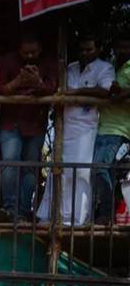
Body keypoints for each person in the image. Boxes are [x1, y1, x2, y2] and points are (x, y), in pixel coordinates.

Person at [38, 34, 115, 226]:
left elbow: (104, 91)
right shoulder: (70, 67)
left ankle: (78, 220)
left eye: (89, 49)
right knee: (58, 170)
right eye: (82, 50)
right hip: (65, 126)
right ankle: (53, 216)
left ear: (98, 49)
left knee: (80, 172)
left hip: (85, 129)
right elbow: (63, 91)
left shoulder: (105, 68)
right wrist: (74, 95)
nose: (85, 53)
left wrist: (75, 93)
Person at [0, 31, 57, 223]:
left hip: (36, 123)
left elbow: (52, 87)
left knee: (30, 167)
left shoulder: (49, 62)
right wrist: (15, 84)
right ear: (19, 49)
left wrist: (37, 83)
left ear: (41, 49)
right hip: (10, 121)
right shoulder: (8, 61)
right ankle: (10, 208)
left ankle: (22, 211)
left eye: (33, 52)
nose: (29, 56)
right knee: (9, 162)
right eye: (25, 52)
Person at [93, 33, 130, 225]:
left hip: (118, 128)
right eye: (119, 47)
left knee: (100, 167)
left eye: (127, 47)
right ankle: (104, 212)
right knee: (105, 170)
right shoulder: (111, 67)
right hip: (101, 125)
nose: (123, 51)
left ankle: (106, 214)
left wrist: (123, 93)